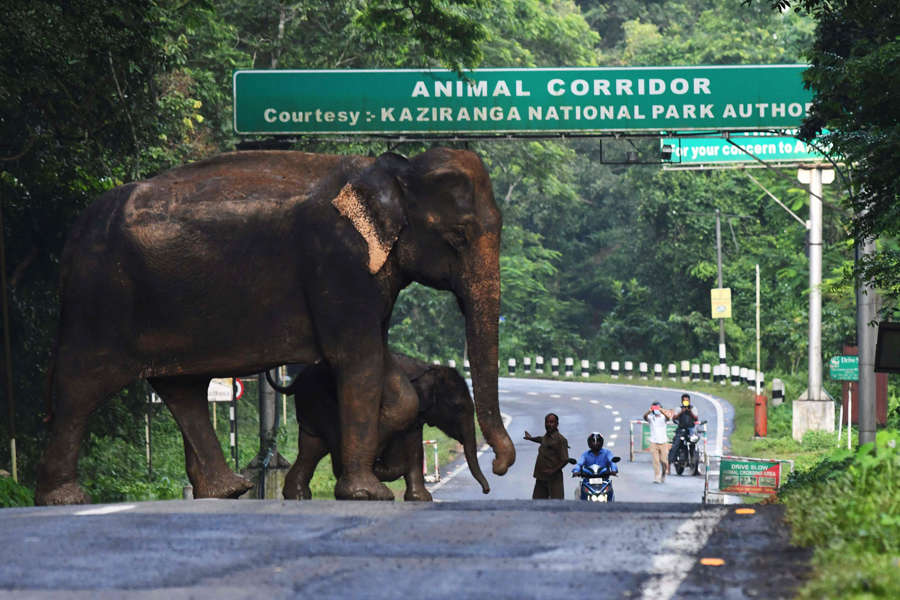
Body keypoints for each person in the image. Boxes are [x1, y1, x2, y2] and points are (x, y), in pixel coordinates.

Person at [524, 413, 570, 499]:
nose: (549, 424)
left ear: (557, 424)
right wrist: (530, 438)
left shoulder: (561, 440)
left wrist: (552, 471)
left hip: (554, 479)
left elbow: (565, 460)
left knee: (556, 505)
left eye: (552, 422)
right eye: (547, 422)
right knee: (537, 504)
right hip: (541, 478)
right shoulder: (546, 436)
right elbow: (541, 439)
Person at [573, 432, 618, 500]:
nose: (595, 443)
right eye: (593, 441)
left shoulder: (607, 453)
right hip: (587, 481)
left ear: (602, 442)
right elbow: (579, 464)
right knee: (577, 492)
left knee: (610, 493)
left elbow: (612, 461)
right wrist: (576, 471)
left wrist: (614, 470)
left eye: (598, 441)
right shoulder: (585, 455)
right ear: (589, 443)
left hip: (603, 480)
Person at [668, 394, 699, 473]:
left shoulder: (693, 408)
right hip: (681, 429)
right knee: (676, 444)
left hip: (691, 429)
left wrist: (689, 411)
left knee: (694, 442)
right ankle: (669, 462)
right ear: (682, 401)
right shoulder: (678, 408)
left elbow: (696, 418)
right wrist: (681, 412)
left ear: (689, 401)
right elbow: (674, 418)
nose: (686, 402)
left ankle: (695, 463)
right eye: (684, 400)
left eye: (687, 400)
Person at [643, 402, 670, 483]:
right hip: (653, 442)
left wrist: (661, 410)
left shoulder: (663, 417)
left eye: (657, 408)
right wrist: (650, 410)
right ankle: (657, 476)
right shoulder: (651, 418)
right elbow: (644, 417)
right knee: (656, 461)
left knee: (664, 461)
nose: (656, 410)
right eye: (655, 409)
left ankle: (664, 474)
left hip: (663, 442)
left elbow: (668, 418)